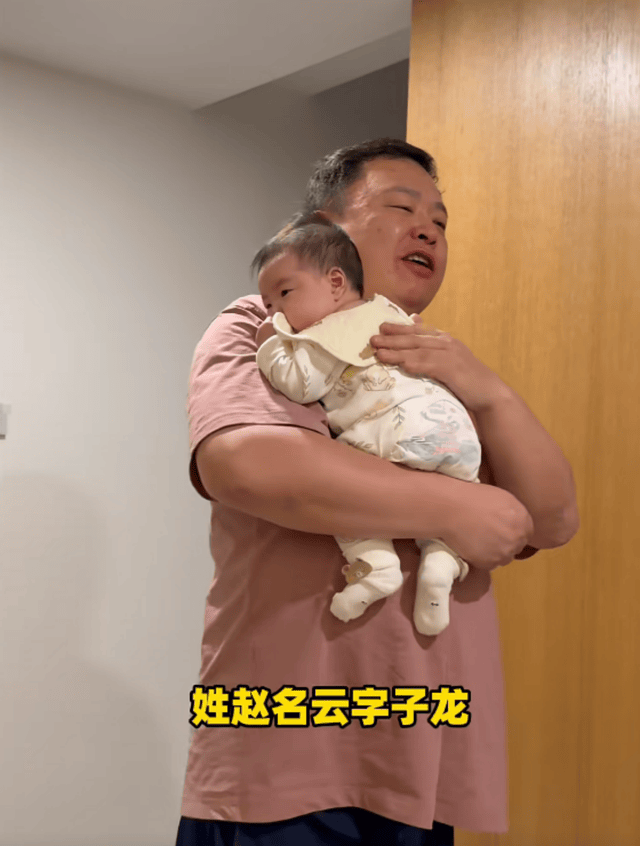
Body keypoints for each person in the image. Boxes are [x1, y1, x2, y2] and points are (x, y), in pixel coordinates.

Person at [176, 138, 579, 846]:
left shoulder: (437, 368)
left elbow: (550, 519)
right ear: (323, 230)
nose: (429, 230)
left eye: (440, 221)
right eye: (401, 208)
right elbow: (247, 464)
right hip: (283, 743)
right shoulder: (269, 323)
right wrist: (458, 506)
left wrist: (485, 388)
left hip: (424, 748)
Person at [253, 212, 480, 635]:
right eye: (268, 305)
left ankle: (376, 566)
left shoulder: (325, 333)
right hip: (456, 436)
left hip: (392, 434)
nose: (275, 312)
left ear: (336, 283)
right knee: (450, 510)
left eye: (284, 294)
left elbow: (300, 384)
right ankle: (441, 563)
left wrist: (269, 345)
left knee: (340, 483)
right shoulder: (386, 312)